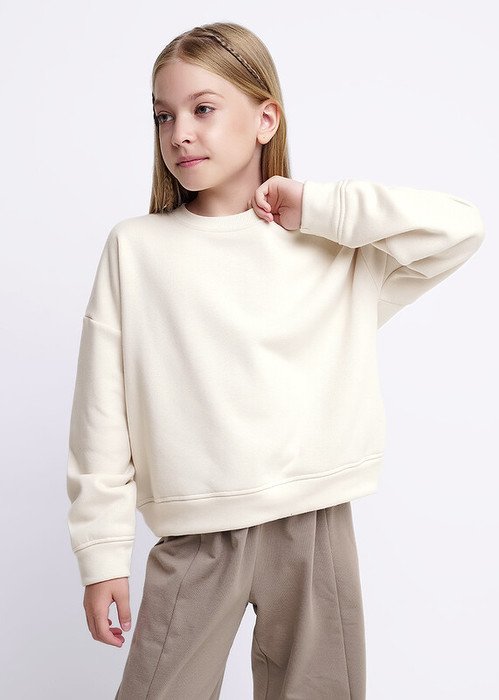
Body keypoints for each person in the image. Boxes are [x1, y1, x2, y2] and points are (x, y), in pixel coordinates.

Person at [66, 21, 485, 700]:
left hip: (314, 523)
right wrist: (101, 555)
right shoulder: (136, 249)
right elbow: (100, 414)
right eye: (163, 116)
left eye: (203, 109)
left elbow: (460, 228)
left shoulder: (333, 247)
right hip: (197, 532)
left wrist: (317, 205)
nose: (179, 133)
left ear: (266, 119)